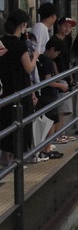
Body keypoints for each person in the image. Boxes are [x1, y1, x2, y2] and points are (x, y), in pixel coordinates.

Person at [0, 9, 38, 167]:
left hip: (4, 87)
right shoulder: (20, 45)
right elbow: (28, 68)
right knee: (20, 122)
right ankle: (16, 160)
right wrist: (35, 55)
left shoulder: (1, 42)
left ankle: (5, 157)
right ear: (22, 25)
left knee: (6, 121)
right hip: (20, 89)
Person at [35, 36, 69, 159]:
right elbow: (48, 81)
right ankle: (47, 149)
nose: (57, 55)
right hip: (49, 96)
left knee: (46, 122)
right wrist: (61, 86)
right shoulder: (48, 62)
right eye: (57, 52)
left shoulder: (39, 59)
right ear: (52, 49)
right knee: (50, 123)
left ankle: (44, 148)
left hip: (42, 95)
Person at [52, 17, 77, 144]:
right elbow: (52, 60)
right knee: (60, 108)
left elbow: (67, 61)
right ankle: (58, 134)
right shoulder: (54, 40)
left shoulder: (67, 40)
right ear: (59, 26)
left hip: (65, 76)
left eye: (70, 27)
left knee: (63, 108)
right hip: (58, 78)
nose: (67, 29)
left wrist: (70, 76)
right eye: (65, 26)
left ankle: (61, 133)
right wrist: (58, 76)